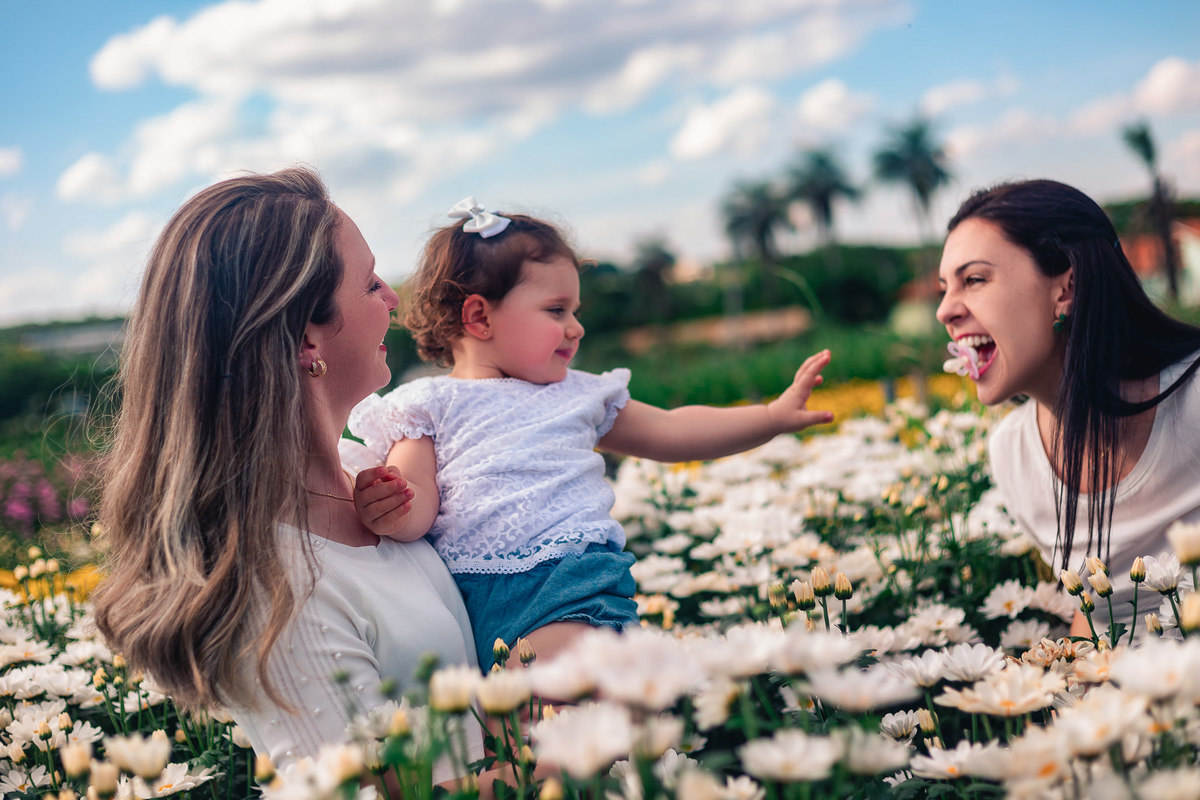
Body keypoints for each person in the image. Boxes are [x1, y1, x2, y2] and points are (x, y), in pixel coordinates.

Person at [90, 167, 483, 781]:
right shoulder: (274, 596)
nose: (392, 299)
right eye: (370, 283)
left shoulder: (367, 470)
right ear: (306, 339)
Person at [347, 198, 834, 670]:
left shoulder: (578, 394)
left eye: (575, 311)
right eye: (557, 310)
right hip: (472, 598)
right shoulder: (426, 403)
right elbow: (416, 499)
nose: (576, 328)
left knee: (553, 692)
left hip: (571, 580)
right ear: (480, 317)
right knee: (515, 715)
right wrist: (390, 505)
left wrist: (770, 418)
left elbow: (672, 429)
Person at [935, 178, 1200, 632]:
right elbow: (1094, 615)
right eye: (944, 288)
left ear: (1066, 288)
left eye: (974, 279)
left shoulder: (1192, 400)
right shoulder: (1013, 454)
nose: (945, 310)